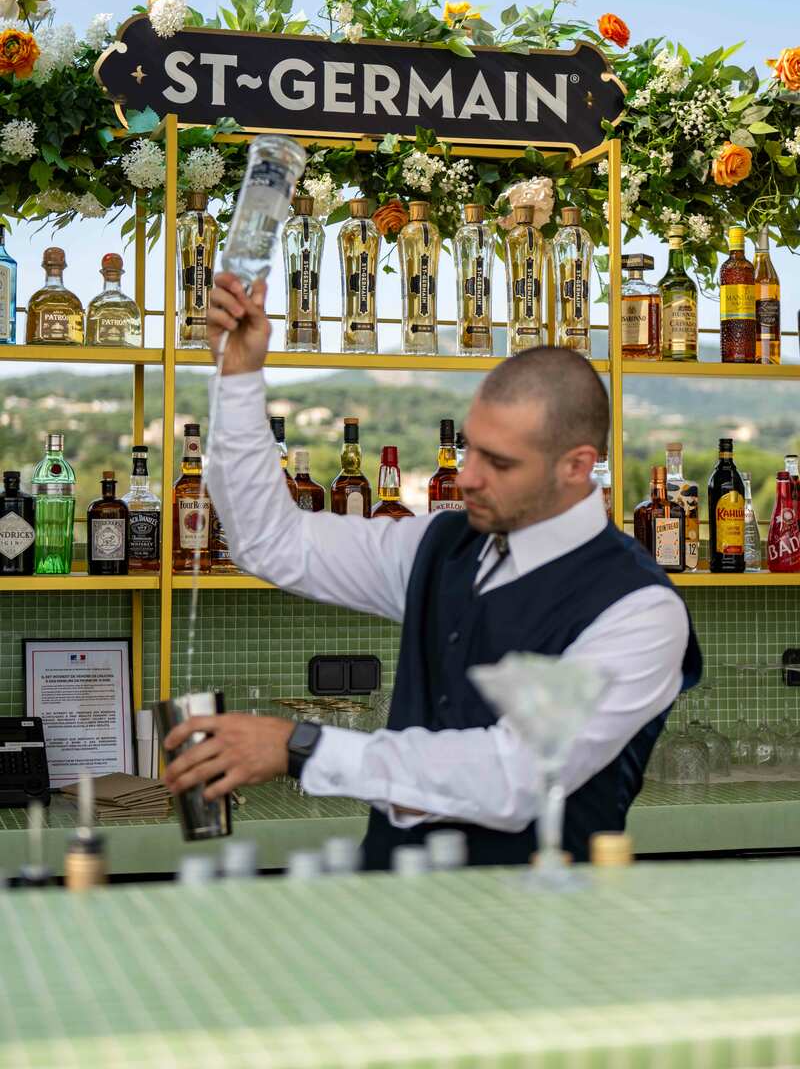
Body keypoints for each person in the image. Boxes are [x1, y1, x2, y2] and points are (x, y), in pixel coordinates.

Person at [163, 272, 702, 868]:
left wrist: (302, 746)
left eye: (499, 462)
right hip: (395, 898)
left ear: (577, 467)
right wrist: (238, 376)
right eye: (470, 449)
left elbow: (514, 776)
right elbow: (271, 542)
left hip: (539, 915)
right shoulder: (438, 544)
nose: (467, 477)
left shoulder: (639, 609)